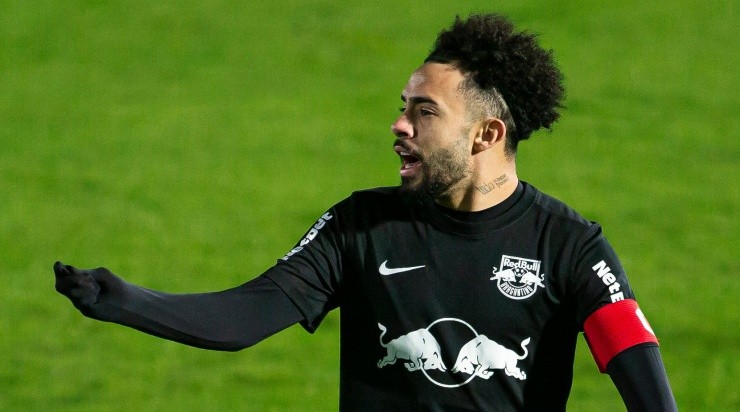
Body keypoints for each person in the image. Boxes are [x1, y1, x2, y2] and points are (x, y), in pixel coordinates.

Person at [54, 13, 677, 411]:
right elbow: (247, 314)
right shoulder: (361, 226)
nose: (400, 125)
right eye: (404, 106)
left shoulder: (567, 246)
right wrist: (125, 300)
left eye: (424, 113)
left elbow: (631, 353)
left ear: (486, 135)